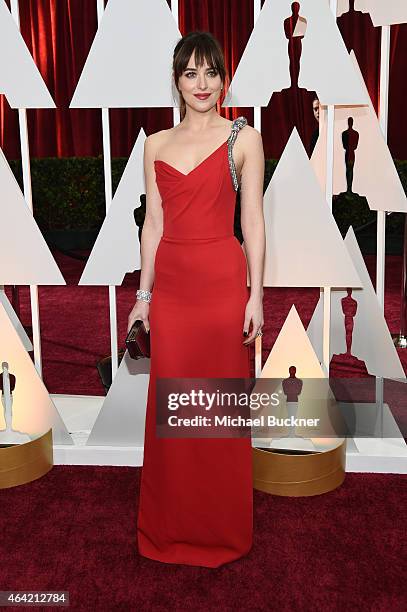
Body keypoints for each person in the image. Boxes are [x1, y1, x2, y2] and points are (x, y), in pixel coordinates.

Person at [127, 31, 265, 568]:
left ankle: (220, 529)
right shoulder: (156, 144)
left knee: (218, 410)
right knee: (173, 411)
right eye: (191, 73)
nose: (202, 84)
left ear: (224, 78)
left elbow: (251, 219)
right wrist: (143, 296)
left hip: (221, 285)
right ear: (178, 80)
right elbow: (153, 226)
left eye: (211, 73)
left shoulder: (242, 138)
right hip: (175, 291)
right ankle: (170, 528)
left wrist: (256, 293)